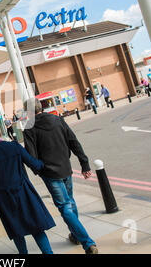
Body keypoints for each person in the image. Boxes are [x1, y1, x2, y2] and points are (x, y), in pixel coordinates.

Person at [23, 98, 98, 254]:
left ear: (29, 112)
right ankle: (76, 236)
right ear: (40, 107)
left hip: (50, 174)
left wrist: (40, 170)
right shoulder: (58, 120)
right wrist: (84, 163)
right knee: (70, 202)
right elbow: (73, 141)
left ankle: (87, 243)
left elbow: (31, 156)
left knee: (64, 207)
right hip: (66, 168)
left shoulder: (29, 129)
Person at [0, 123, 55, 254]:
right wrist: (43, 163)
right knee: (36, 227)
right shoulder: (13, 146)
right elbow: (33, 163)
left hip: (4, 198)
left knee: (16, 230)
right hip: (23, 192)